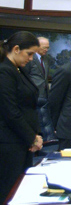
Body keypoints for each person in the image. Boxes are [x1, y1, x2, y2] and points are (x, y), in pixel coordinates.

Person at [0, 31, 43, 204]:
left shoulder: (18, 70)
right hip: (9, 143)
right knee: (8, 191)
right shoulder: (4, 71)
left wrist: (36, 135)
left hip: (22, 141)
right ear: (16, 49)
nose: (31, 59)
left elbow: (30, 106)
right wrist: (31, 137)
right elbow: (11, 112)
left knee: (21, 190)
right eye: (29, 54)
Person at [23, 37, 54, 141]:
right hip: (33, 94)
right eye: (44, 48)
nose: (46, 50)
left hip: (44, 94)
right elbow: (25, 76)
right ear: (37, 47)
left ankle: (47, 142)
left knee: (45, 120)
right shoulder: (30, 59)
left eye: (48, 48)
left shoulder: (46, 59)